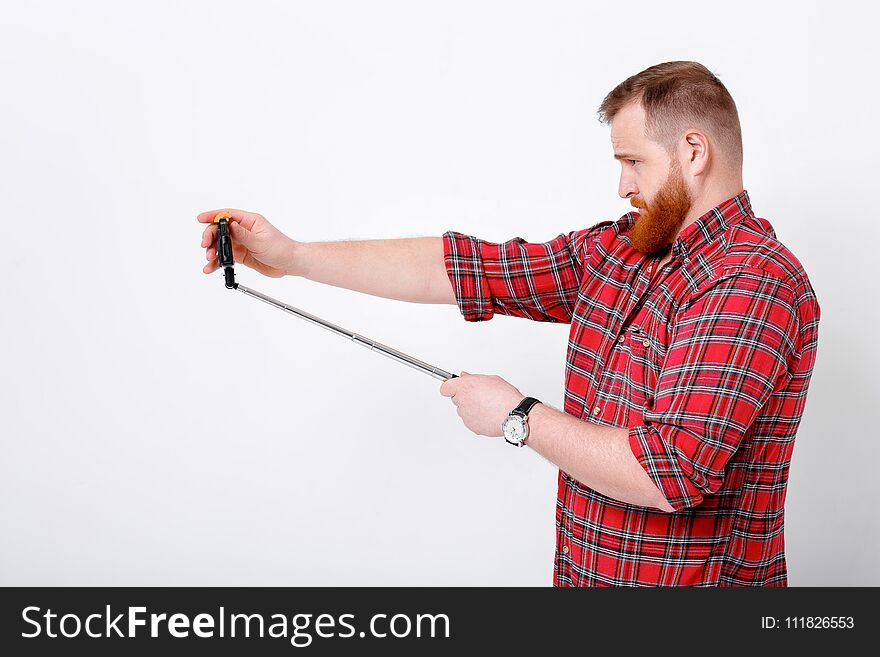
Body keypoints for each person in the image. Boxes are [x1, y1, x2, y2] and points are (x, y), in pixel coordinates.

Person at [197, 61, 820, 587]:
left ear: (692, 151)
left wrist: (517, 416)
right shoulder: (619, 252)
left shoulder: (753, 280)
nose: (621, 184)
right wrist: (295, 256)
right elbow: (472, 268)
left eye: (633, 161)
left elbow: (668, 472)